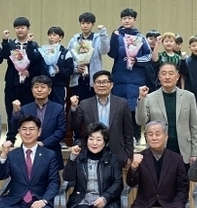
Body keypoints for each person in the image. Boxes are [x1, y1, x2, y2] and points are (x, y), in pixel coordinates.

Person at [135, 63, 197, 208]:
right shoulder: (150, 97)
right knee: (161, 195)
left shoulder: (188, 96)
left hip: (183, 152)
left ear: (178, 76)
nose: (167, 76)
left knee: (180, 195)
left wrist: (195, 151)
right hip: (159, 152)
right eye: (163, 73)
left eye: (171, 73)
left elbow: (194, 125)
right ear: (159, 76)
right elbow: (140, 120)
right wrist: (141, 99)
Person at [5, 75, 66, 208]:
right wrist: (15, 113)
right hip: (28, 156)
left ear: (49, 90)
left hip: (50, 155)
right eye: (36, 87)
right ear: (31, 90)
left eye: (43, 87)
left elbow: (61, 130)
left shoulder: (58, 108)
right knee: (28, 191)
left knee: (45, 192)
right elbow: (16, 126)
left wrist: (43, 144)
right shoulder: (25, 108)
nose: (39, 90)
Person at [70, 70, 133, 169]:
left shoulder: (122, 104)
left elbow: (128, 131)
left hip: (117, 153)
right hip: (91, 152)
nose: (101, 85)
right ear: (93, 85)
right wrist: (74, 108)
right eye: (98, 82)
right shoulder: (85, 104)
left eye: (104, 82)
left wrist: (129, 156)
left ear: (111, 85)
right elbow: (75, 126)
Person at [108, 8, 152, 145]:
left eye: (129, 18)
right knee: (119, 107)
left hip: (136, 77)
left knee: (135, 107)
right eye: (124, 18)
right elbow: (112, 54)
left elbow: (148, 56)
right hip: (119, 76)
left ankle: (136, 136)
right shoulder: (117, 35)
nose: (127, 20)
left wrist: (136, 60)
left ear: (135, 20)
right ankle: (120, 137)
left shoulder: (141, 38)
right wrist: (113, 38)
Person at [66, 12, 110, 143]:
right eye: (83, 23)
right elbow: (69, 57)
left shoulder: (97, 38)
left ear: (93, 24)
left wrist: (103, 33)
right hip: (78, 80)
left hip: (93, 81)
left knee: (92, 109)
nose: (85, 26)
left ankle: (94, 136)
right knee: (77, 108)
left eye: (88, 23)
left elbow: (105, 50)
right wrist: (76, 67)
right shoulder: (74, 39)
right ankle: (77, 137)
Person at [1, 17, 44, 121]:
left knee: (28, 113)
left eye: (22, 27)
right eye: (17, 28)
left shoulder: (34, 45)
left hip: (28, 84)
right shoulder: (10, 44)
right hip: (12, 83)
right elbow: (4, 55)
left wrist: (29, 73)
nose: (20, 30)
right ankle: (11, 131)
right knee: (11, 111)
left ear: (28, 29)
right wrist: (5, 41)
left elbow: (37, 63)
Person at [39, 26, 74, 107]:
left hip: (59, 85)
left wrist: (60, 71)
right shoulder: (43, 51)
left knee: (58, 107)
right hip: (45, 85)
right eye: (50, 35)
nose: (51, 37)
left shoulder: (65, 52)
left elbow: (70, 70)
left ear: (60, 38)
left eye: (54, 35)